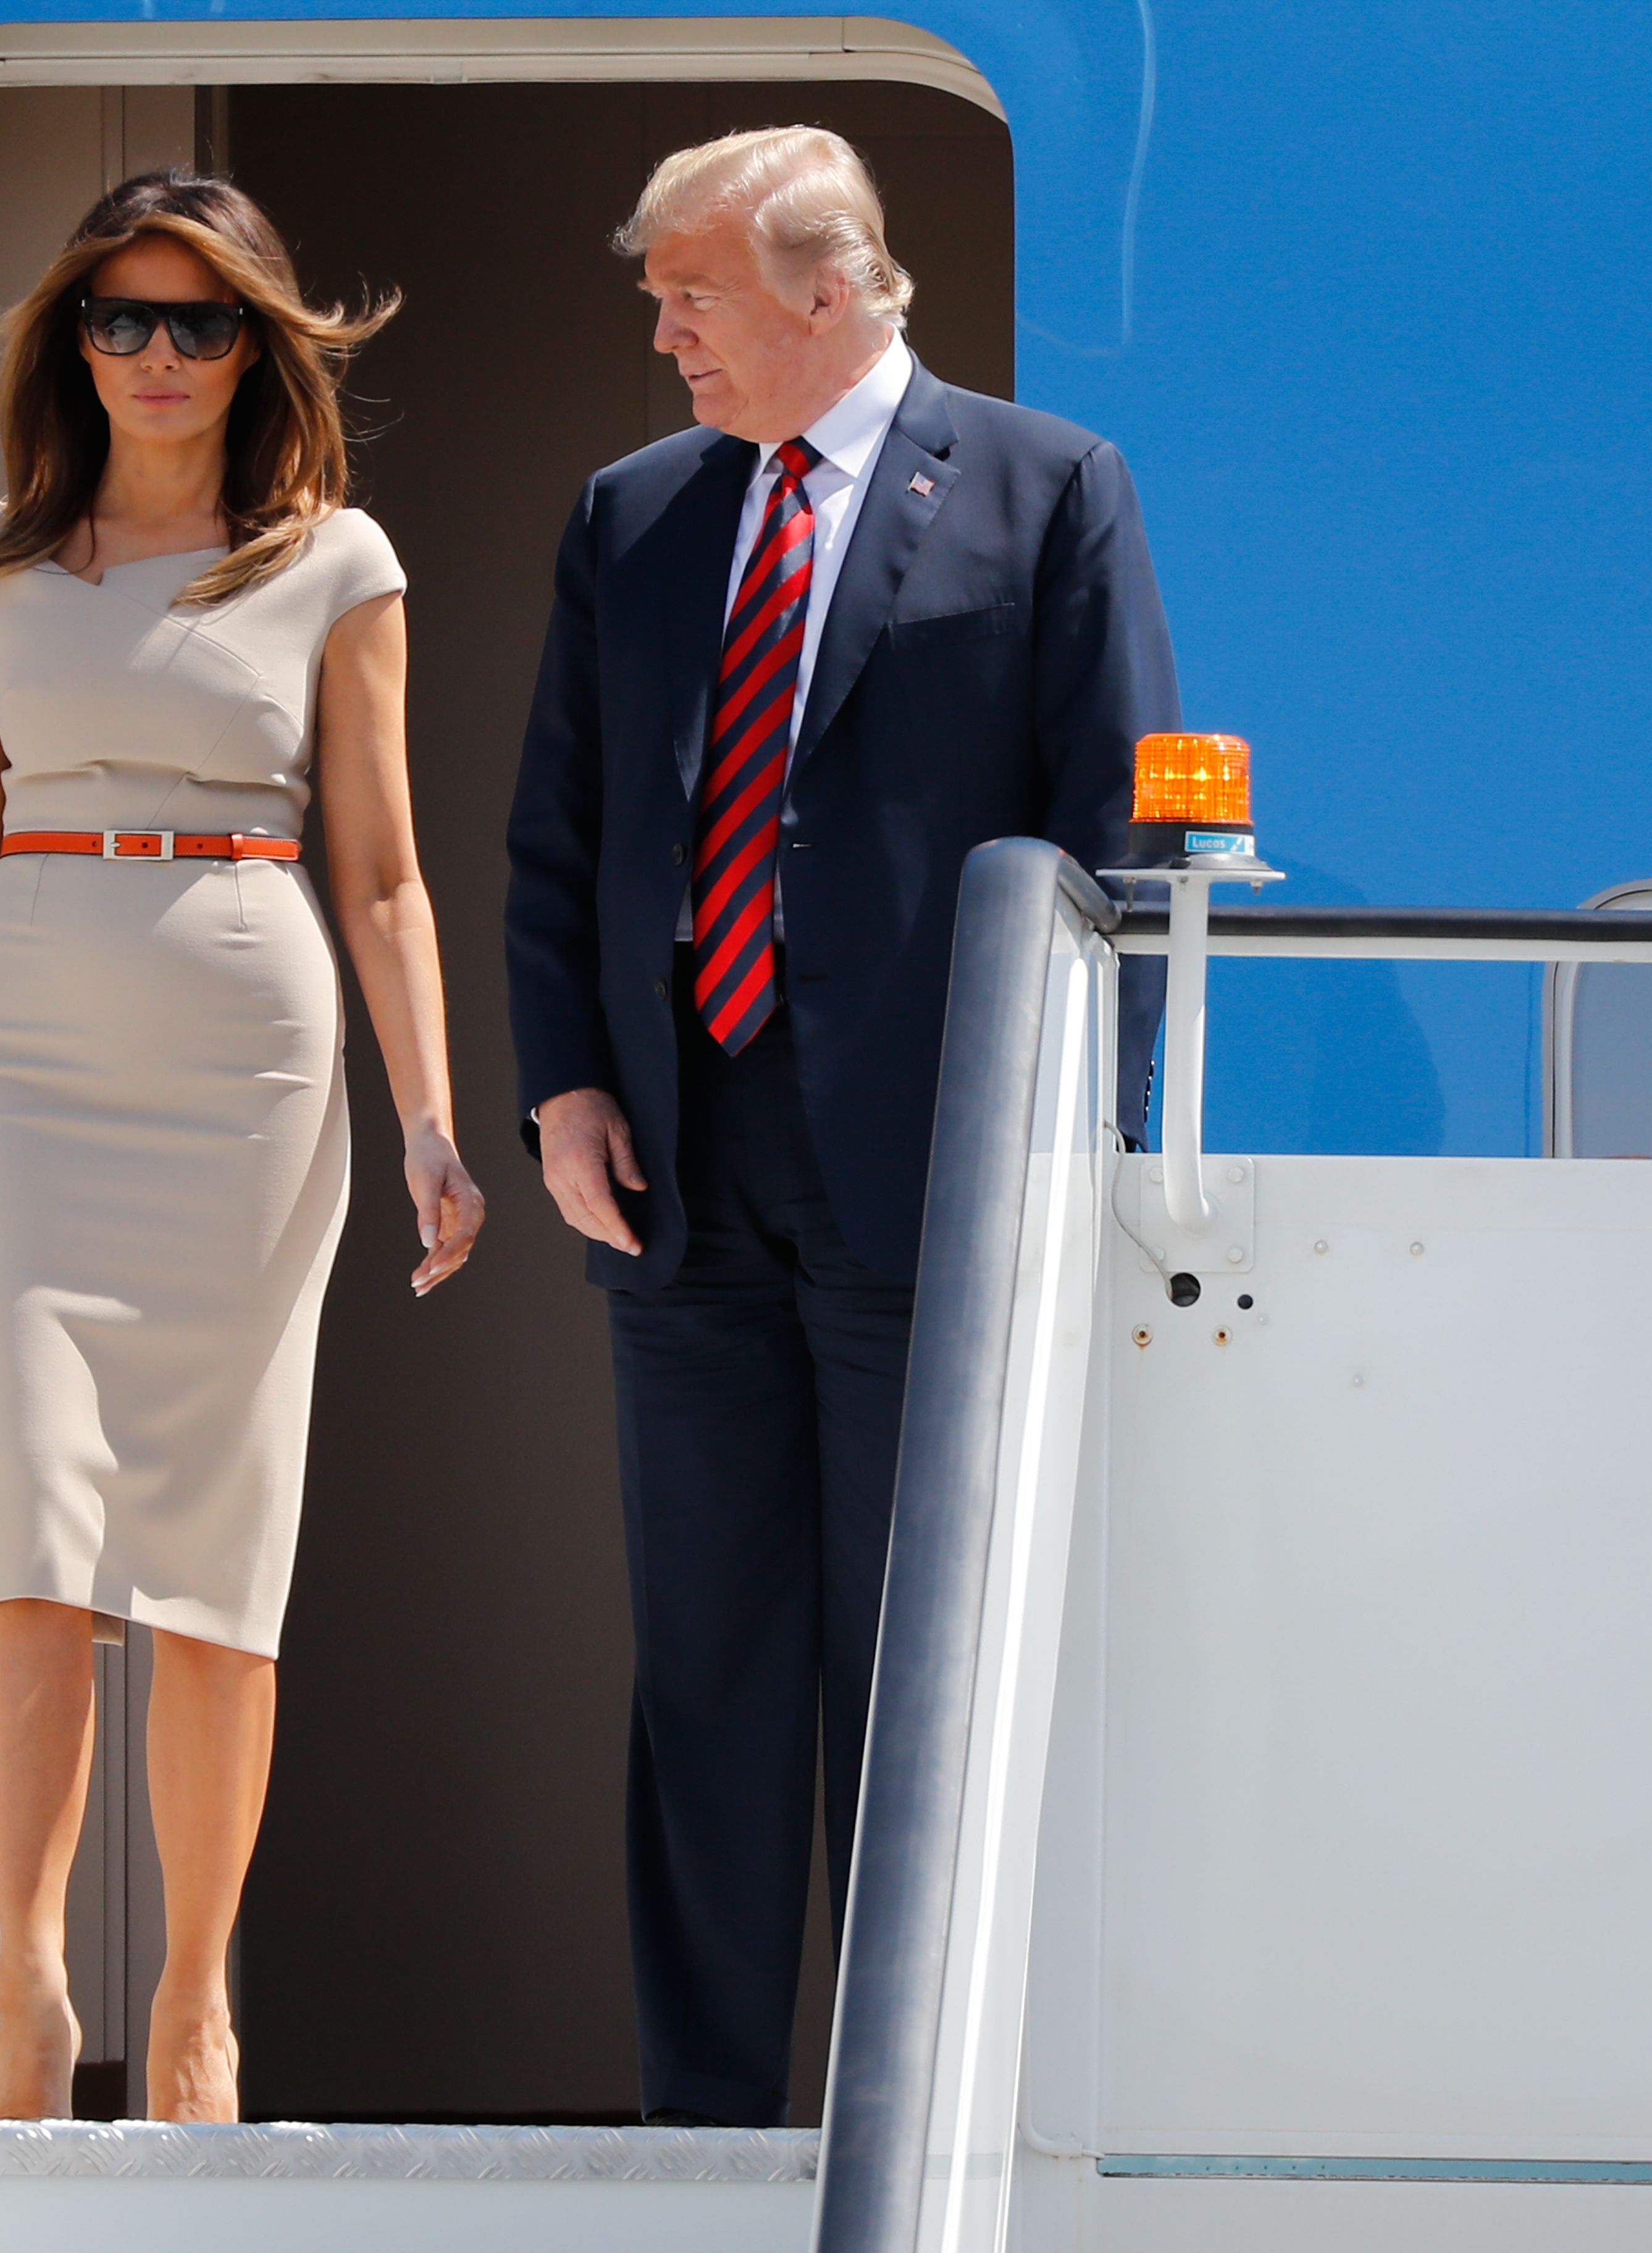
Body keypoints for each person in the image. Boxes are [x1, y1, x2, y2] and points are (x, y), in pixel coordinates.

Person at [504, 126, 1177, 2126]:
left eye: (687, 295)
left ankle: (915, 2125)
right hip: (674, 1176)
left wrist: (1080, 1163)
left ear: (825, 285)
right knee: (705, 1676)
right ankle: (704, 2129)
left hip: (935, 1173)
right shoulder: (632, 514)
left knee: (917, 1679)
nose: (662, 334)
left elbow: (1118, 840)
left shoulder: (1050, 490)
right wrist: (559, 1083)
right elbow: (562, 831)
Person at [0, 170, 485, 2123]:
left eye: (202, 321)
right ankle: (27, 1985)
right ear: (73, 339)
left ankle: (194, 2004)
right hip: (22, 1038)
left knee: (220, 1551)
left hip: (248, 1038)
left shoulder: (337, 560)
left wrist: (430, 1117)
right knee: (31, 1527)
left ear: (263, 345)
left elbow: (389, 871)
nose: (159, 356)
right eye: (123, 319)